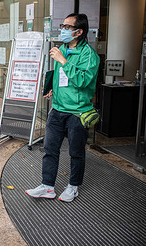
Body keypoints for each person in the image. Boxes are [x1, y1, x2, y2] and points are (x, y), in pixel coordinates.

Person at [26, 13, 100, 202]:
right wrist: (52, 88)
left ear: (79, 31)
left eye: (68, 27)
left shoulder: (89, 55)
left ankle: (73, 186)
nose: (63, 30)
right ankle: (47, 186)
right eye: (63, 26)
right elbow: (63, 78)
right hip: (57, 109)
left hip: (78, 112)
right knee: (50, 149)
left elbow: (83, 81)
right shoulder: (63, 49)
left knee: (76, 152)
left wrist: (63, 61)